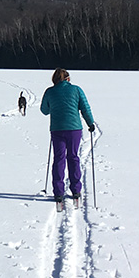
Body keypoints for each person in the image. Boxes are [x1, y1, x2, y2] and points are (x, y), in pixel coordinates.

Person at [40, 68, 94, 207]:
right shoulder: (76, 90)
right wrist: (90, 123)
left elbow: (44, 110)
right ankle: (76, 190)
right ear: (68, 79)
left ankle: (58, 192)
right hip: (74, 129)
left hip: (57, 129)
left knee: (58, 159)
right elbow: (85, 108)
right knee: (73, 157)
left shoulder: (50, 91)